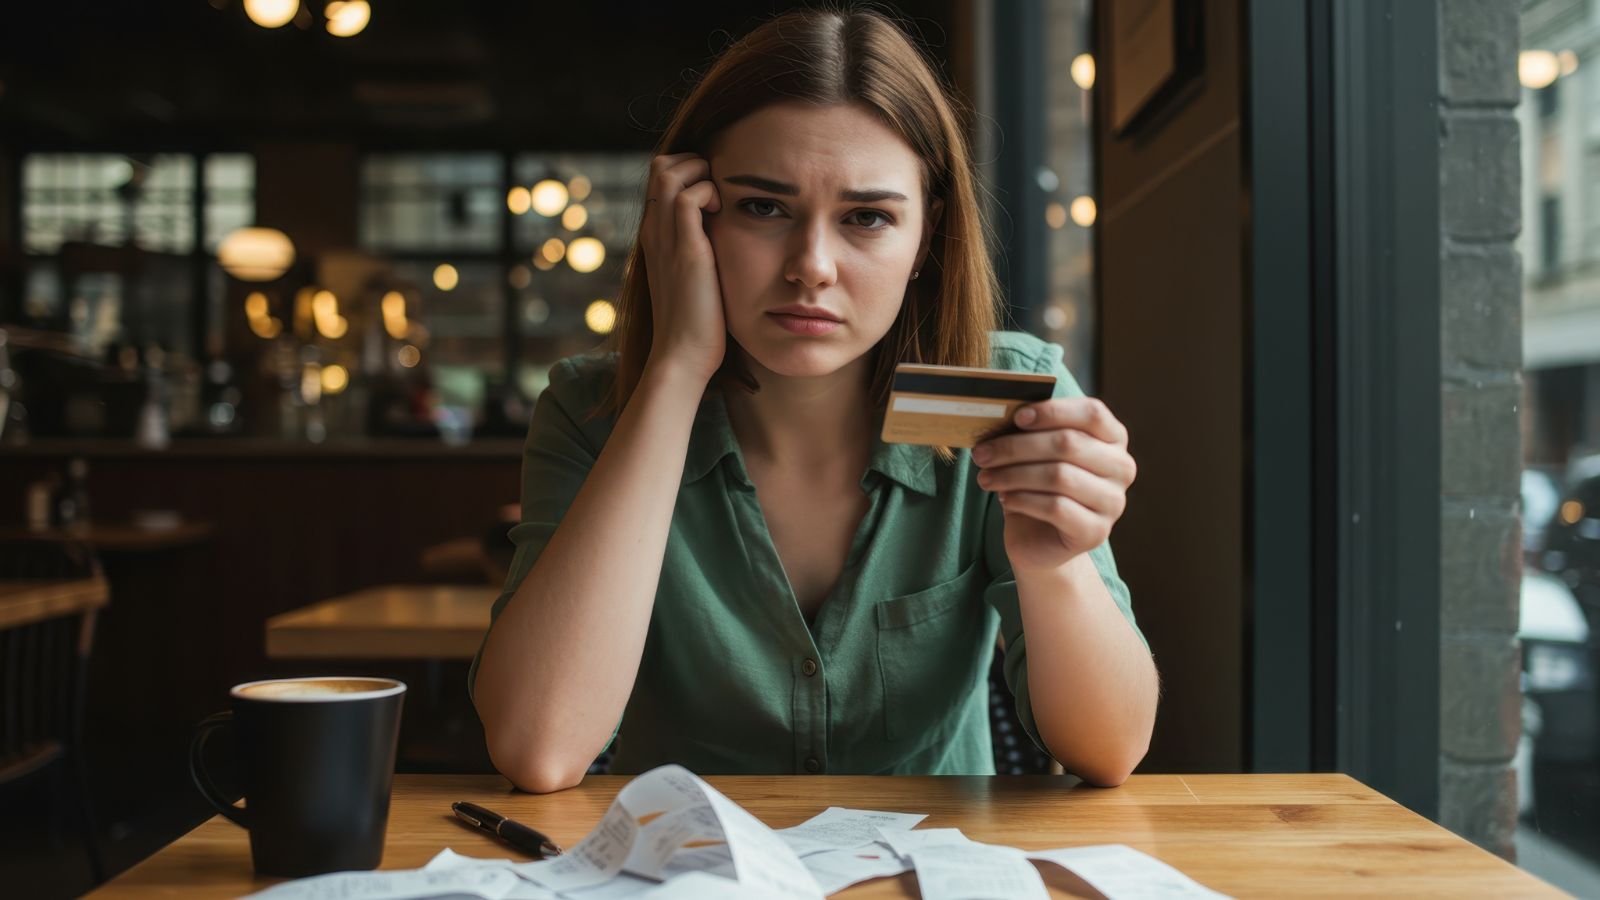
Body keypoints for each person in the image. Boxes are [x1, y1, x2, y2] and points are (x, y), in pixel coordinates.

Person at [471, 6, 1157, 793]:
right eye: (764, 207)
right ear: (689, 221)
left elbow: (1108, 751)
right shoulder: (592, 408)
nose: (813, 266)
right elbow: (539, 746)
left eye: (866, 218)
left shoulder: (1003, 399)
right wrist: (676, 366)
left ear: (926, 238)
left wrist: (1055, 569)